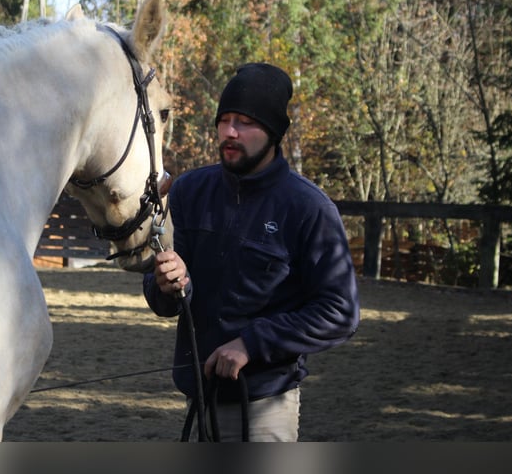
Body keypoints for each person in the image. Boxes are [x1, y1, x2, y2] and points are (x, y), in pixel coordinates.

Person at [143, 62, 360, 442]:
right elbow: (165, 301)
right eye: (224, 119)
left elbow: (340, 312)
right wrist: (169, 283)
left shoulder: (309, 208)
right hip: (200, 403)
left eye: (244, 122)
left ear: (274, 132)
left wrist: (252, 344)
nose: (229, 131)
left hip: (265, 407)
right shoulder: (188, 192)